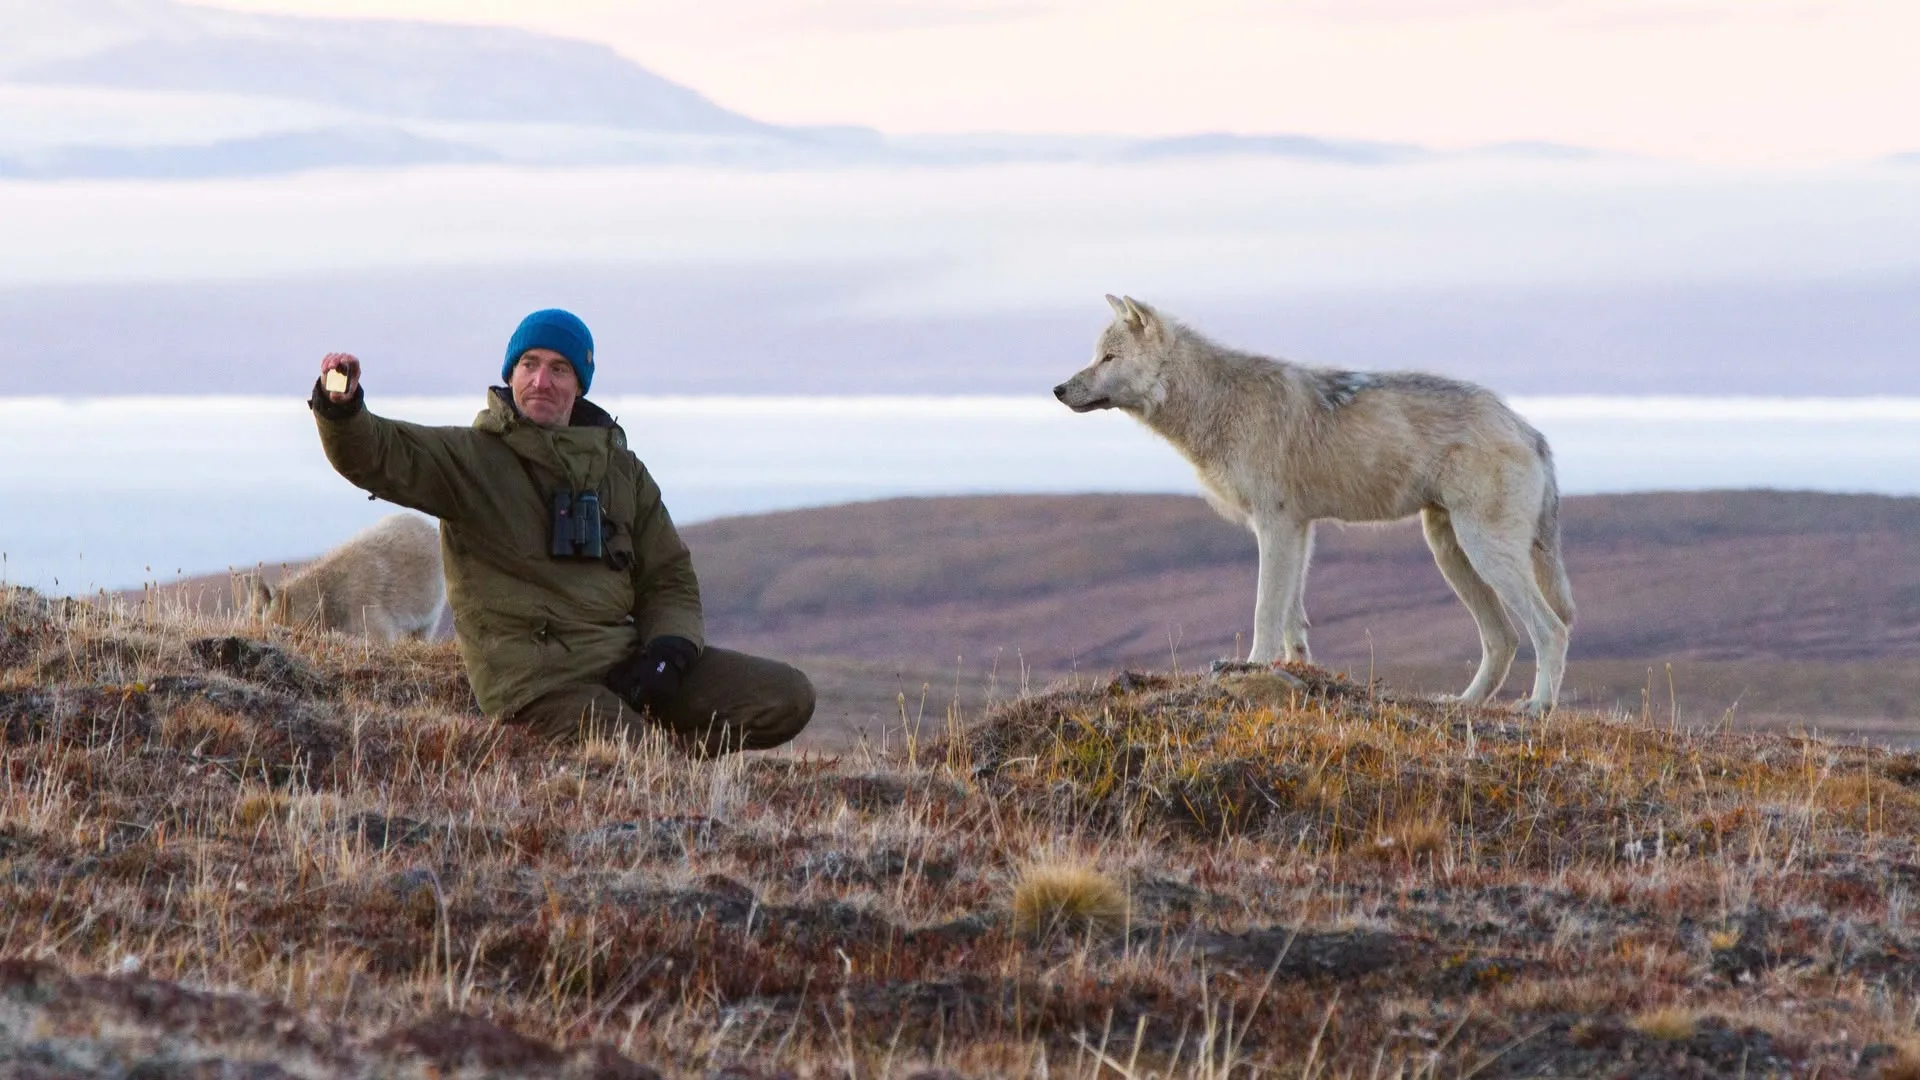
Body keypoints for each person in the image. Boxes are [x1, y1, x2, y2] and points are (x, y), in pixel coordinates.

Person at [308, 308, 814, 754]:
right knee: (641, 762)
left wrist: (668, 653)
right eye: (529, 365)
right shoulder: (470, 460)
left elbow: (668, 576)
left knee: (787, 697)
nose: (541, 381)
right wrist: (342, 408)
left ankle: (660, 751)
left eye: (559, 368)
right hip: (536, 680)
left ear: (580, 384)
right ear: (511, 376)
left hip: (625, 666)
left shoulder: (621, 470)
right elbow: (378, 453)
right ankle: (657, 763)